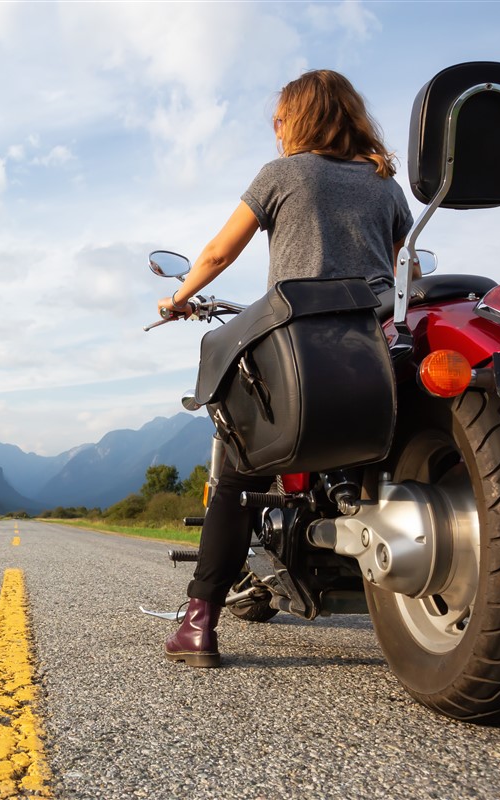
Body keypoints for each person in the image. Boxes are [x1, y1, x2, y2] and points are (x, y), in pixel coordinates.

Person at [157, 69, 413, 667]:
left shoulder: (282, 174)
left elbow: (221, 251)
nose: (275, 130)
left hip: (300, 347)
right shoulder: (386, 186)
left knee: (238, 472)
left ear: (298, 118)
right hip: (369, 347)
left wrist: (177, 299)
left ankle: (199, 624)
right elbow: (398, 274)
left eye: (279, 119)